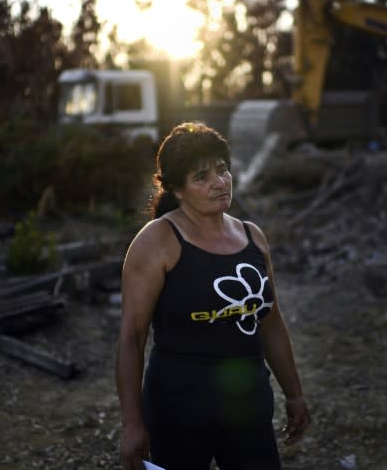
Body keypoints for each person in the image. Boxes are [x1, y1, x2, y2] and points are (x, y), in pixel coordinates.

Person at [115, 122, 311, 470]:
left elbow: (271, 323)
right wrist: (132, 423)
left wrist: (294, 394)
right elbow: (132, 337)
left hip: (248, 407)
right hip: (179, 410)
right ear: (177, 188)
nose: (219, 183)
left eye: (222, 170)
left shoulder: (253, 237)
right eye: (201, 176)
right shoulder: (157, 242)